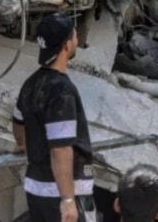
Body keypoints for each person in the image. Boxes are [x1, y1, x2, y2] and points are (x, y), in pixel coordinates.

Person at [12, 12, 97, 222]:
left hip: (37, 188)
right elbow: (60, 148)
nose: (77, 39)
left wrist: (22, 144)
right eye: (74, 36)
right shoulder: (62, 90)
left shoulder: (30, 84)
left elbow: (18, 123)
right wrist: (68, 200)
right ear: (67, 46)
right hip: (61, 193)